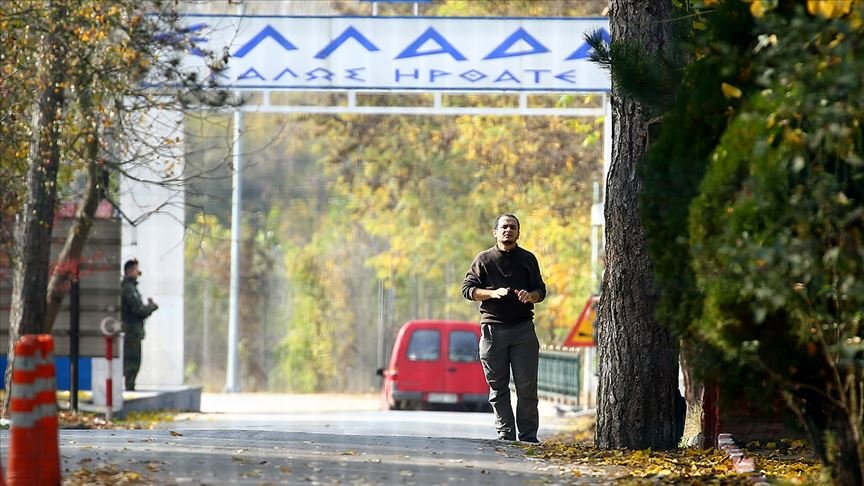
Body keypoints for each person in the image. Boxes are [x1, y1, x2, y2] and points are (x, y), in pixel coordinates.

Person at [461, 214, 546, 443]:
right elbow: (468, 289)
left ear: (518, 232)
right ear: (495, 232)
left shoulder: (528, 259)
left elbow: (541, 290)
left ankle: (528, 435)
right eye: (504, 227)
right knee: (498, 387)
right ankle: (505, 433)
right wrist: (492, 293)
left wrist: (531, 296)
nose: (508, 230)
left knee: (527, 387)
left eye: (513, 227)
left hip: (523, 331)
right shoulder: (484, 259)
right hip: (492, 331)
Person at [121, 258, 158, 391]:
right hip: (131, 331)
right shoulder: (128, 288)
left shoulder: (130, 287)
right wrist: (151, 307)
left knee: (133, 359)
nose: (138, 272)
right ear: (130, 271)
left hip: (133, 330)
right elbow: (137, 309)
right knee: (132, 360)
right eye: (136, 269)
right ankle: (129, 385)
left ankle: (130, 384)